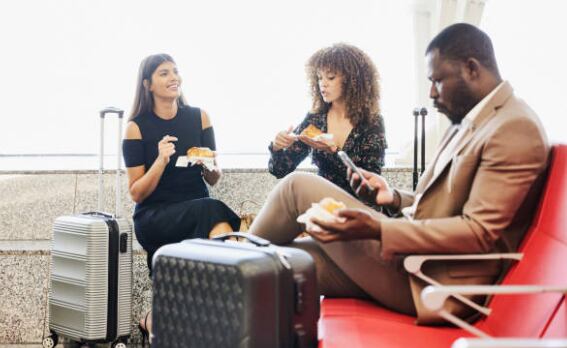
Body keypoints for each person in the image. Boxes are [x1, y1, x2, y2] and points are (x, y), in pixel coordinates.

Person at [249, 23, 549, 324]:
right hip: (412, 260)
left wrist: (377, 229)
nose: (431, 93)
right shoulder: (473, 121)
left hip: (431, 280)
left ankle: (214, 267)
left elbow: (479, 233)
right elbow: (437, 202)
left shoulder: (513, 127)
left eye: (438, 81)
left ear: (471, 69)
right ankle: (220, 278)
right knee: (277, 263)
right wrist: (392, 197)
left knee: (296, 187)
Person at [122, 53, 240, 341]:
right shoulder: (136, 127)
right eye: (164, 73)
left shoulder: (200, 118)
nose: (174, 77)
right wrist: (161, 161)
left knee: (210, 213)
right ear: (148, 84)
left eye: (175, 71)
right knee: (213, 211)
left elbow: (214, 178)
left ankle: (161, 319)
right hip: (156, 216)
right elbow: (136, 191)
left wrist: (208, 165)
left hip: (196, 207)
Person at [269, 43, 387, 202]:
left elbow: (369, 185)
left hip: (358, 208)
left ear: (351, 81)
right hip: (323, 204)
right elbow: (280, 170)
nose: (322, 84)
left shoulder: (371, 122)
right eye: (319, 77)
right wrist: (277, 148)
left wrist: (333, 151)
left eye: (330, 77)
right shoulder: (315, 120)